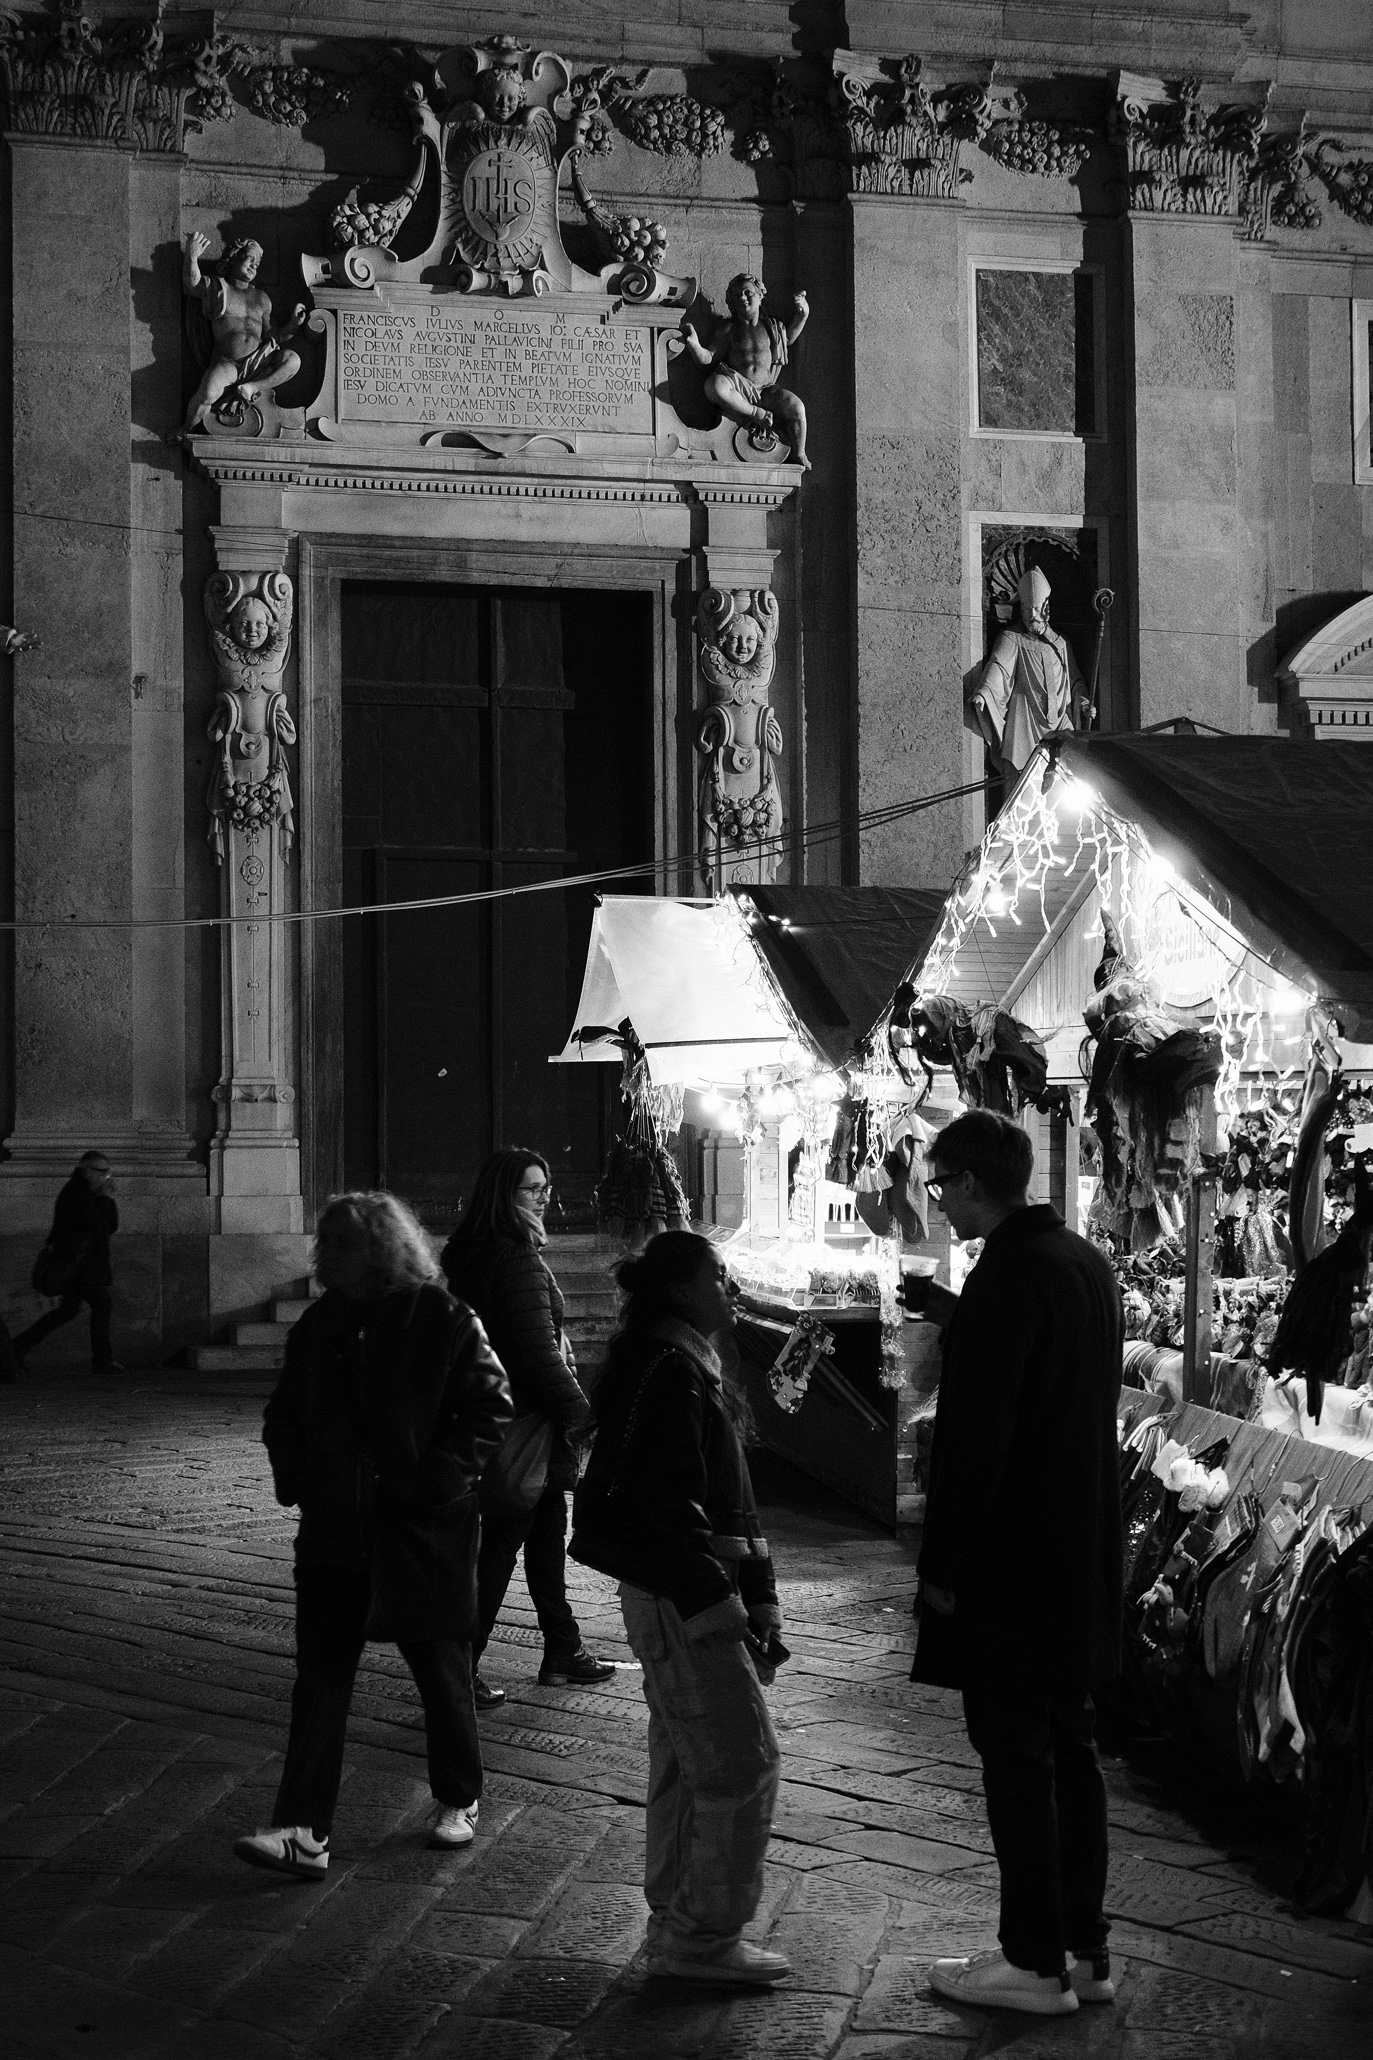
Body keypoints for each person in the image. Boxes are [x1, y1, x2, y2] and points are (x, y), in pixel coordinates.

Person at [904, 1110, 1124, 2017]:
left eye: (939, 1186)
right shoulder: (1081, 1262)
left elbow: (981, 1436)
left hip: (1014, 1561)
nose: (936, 1203)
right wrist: (959, 1314)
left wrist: (942, 1563)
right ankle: (1086, 1953)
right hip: (1079, 1549)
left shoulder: (1007, 1273)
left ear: (969, 1182)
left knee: (1014, 1759)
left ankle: (1031, 1963)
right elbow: (1049, 1380)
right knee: (1070, 1752)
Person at [234, 1191, 512, 1880]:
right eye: (322, 1241)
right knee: (320, 1679)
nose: (320, 1254)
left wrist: (432, 1483)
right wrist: (296, 1470)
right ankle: (304, 1828)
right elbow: (285, 1410)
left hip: (419, 1531)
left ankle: (458, 1794)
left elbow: (488, 1406)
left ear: (377, 1249)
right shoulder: (320, 1323)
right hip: (334, 1526)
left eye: (336, 1242)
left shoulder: (441, 1316)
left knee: (440, 1668)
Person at [570, 1231, 789, 1987]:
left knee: (688, 1761)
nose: (727, 1288)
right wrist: (717, 1604)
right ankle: (701, 1940)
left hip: (686, 1590)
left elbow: (734, 1503)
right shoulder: (671, 1373)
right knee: (739, 1763)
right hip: (682, 1595)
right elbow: (670, 1511)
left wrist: (759, 1595)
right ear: (679, 1291)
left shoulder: (682, 1364)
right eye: (716, 1277)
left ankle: (677, 1918)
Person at [441, 1149, 614, 1706]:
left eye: (545, 1187)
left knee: (543, 1534)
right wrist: (586, 1415)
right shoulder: (515, 1261)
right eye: (530, 1189)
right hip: (525, 1421)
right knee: (501, 1545)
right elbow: (536, 1354)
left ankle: (563, 1648)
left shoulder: (473, 1254)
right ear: (503, 1197)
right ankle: (462, 1665)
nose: (544, 1197)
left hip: (499, 1415)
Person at [173, 232, 306, 440]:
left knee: (293, 360)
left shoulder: (261, 298)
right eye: (249, 258)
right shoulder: (220, 287)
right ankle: (185, 430)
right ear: (234, 257)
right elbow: (192, 284)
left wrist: (293, 325)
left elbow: (273, 335)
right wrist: (192, 256)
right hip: (228, 363)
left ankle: (252, 387)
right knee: (207, 393)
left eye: (258, 263)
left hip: (257, 361)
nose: (254, 265)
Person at [682, 272, 811, 469]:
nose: (742, 297)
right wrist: (695, 346)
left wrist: (802, 315)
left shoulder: (772, 326)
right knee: (714, 385)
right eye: (736, 295)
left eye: (747, 292)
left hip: (767, 390)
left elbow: (788, 339)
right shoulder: (728, 328)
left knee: (797, 408)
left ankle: (799, 453)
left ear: (760, 295)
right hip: (739, 386)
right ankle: (755, 413)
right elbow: (709, 359)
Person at [969, 566, 1087, 780]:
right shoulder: (1011, 638)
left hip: (1060, 722)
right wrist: (984, 691)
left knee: (1066, 776)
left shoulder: (1061, 644)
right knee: (1021, 777)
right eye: (1025, 610)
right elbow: (999, 667)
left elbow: (1075, 680)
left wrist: (1083, 702)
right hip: (1024, 722)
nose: (1031, 615)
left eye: (1035, 609)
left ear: (1046, 608)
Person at [12, 1152, 121, 1375]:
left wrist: (106, 1199)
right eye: (102, 1172)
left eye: (108, 1171)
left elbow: (110, 1227)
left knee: (67, 1311)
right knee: (101, 1305)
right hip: (80, 1266)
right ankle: (102, 1361)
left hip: (83, 1265)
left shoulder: (88, 1192)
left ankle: (15, 1349)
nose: (107, 1177)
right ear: (87, 1171)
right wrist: (105, 1199)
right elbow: (98, 1227)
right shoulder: (75, 1193)